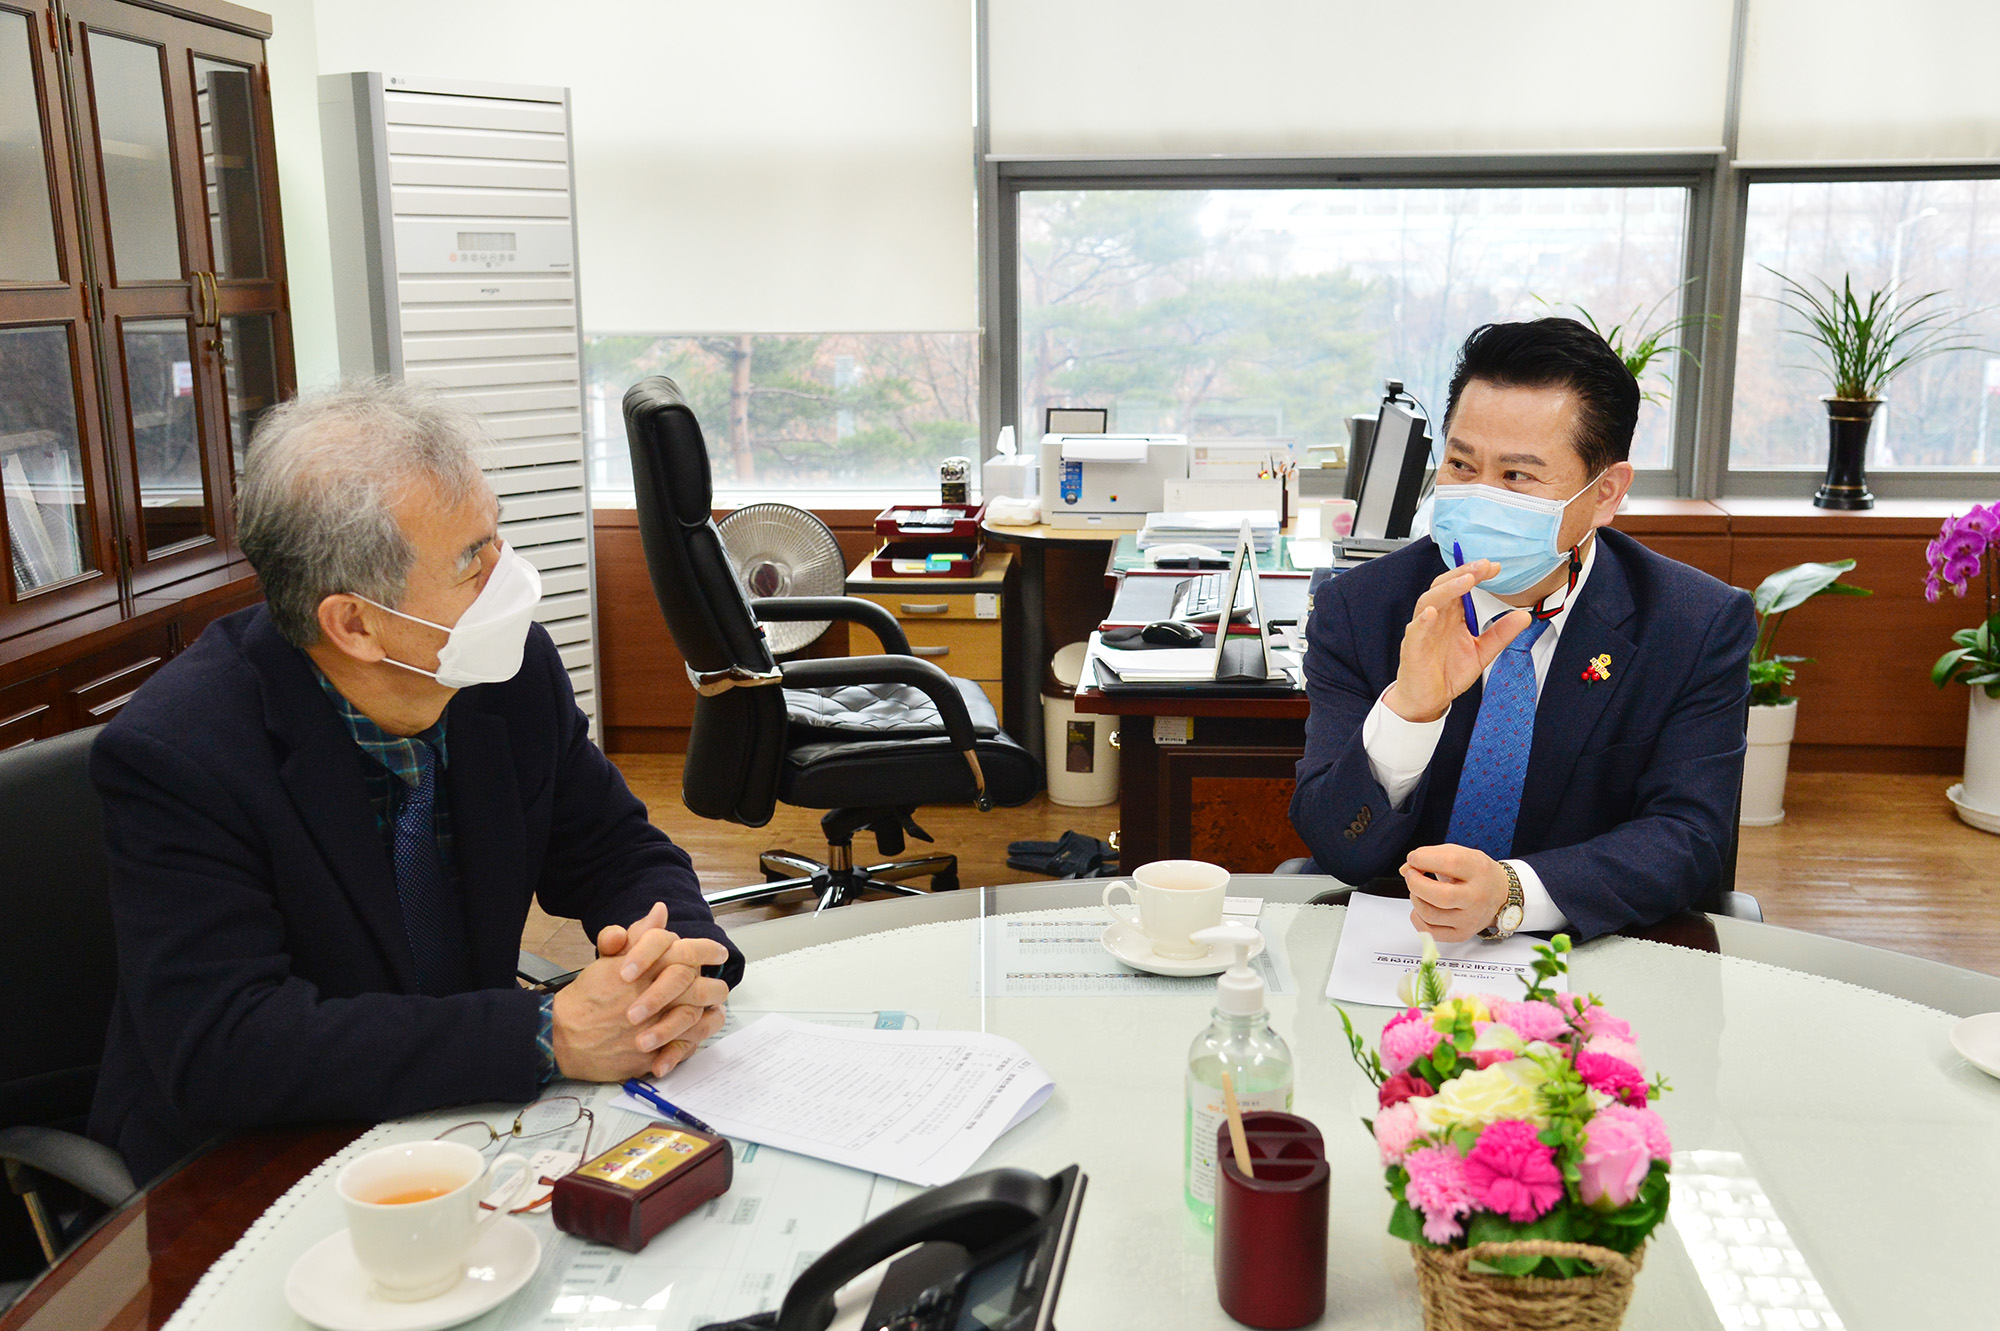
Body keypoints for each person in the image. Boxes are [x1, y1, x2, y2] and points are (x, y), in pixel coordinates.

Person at [88, 381, 741, 1184]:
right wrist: (544, 1031)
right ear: (354, 623)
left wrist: (668, 955)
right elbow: (227, 1042)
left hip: (460, 1123)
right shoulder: (178, 753)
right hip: (249, 1161)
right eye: (473, 558)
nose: (508, 577)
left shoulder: (513, 672)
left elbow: (614, 847)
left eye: (496, 536)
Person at [1290, 318, 1755, 943]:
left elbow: (1689, 839)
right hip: (1396, 947)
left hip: (1590, 951)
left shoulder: (1693, 624)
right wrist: (1409, 714)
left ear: (1605, 493)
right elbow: (1335, 844)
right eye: (1461, 464)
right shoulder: (1361, 609)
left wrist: (1511, 894)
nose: (1480, 496)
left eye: (1517, 476)